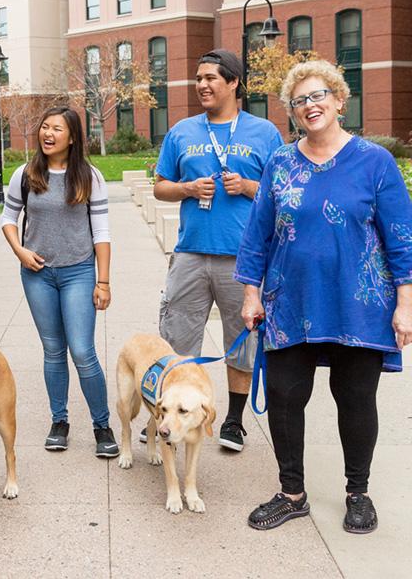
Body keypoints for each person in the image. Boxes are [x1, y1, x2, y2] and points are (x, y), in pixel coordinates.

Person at [235, 60, 412, 533]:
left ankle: (359, 492)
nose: (309, 106)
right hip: (289, 303)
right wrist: (251, 294)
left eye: (318, 96)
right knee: (285, 398)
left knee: (355, 400)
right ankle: (291, 493)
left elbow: (401, 238)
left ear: (338, 100)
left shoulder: (375, 162)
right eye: (299, 101)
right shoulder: (280, 163)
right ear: (292, 113)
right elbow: (258, 236)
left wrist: (405, 303)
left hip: (360, 305)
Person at [152, 48, 283, 451]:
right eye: (198, 78)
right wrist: (188, 188)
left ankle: (232, 421)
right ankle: (169, 416)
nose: (202, 85)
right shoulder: (182, 132)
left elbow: (282, 192)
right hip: (190, 253)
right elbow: (160, 186)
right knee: (176, 341)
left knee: (241, 341)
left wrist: (246, 187)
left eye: (210, 78)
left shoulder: (264, 133)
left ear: (233, 83)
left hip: (243, 261)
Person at [0, 106, 118, 457]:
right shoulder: (25, 173)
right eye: (45, 127)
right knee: (53, 350)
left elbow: (102, 232)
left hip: (78, 272)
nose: (48, 134)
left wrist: (104, 281)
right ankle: (59, 421)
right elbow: (8, 218)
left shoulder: (89, 176)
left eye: (57, 129)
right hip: (37, 275)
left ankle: (102, 424)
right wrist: (20, 251)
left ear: (73, 137)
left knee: (82, 351)